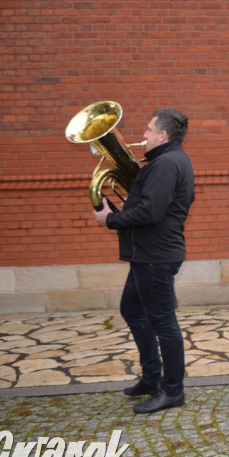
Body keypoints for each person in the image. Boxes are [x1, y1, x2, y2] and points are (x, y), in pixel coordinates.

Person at [93, 108, 195, 415]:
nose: (144, 135)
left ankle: (173, 390)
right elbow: (146, 205)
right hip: (148, 255)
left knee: (164, 323)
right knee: (132, 310)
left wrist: (110, 219)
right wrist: (117, 211)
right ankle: (152, 378)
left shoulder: (166, 164)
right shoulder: (164, 162)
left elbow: (150, 213)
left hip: (155, 257)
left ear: (163, 135)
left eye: (149, 130)